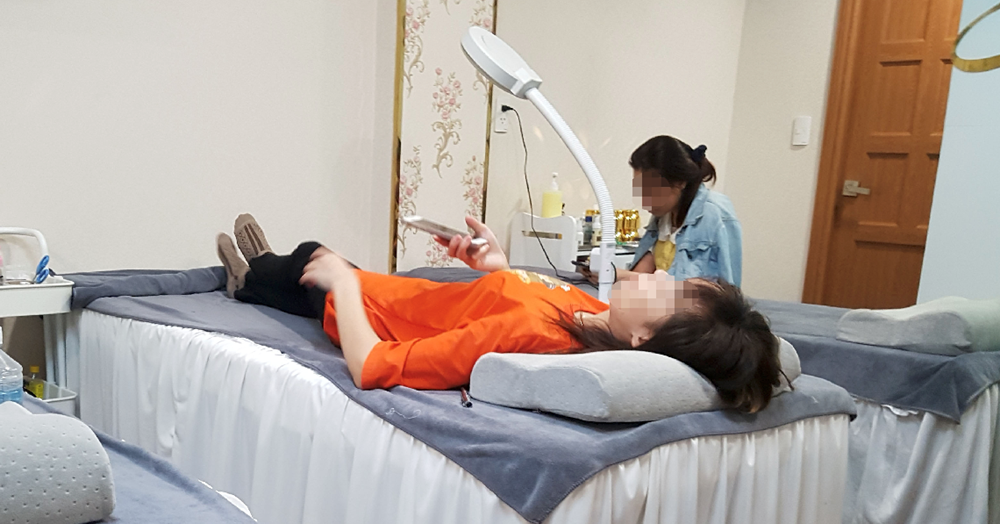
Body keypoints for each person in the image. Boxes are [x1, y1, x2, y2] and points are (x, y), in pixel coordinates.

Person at [217, 213, 780, 413]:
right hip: (404, 294)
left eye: (666, 290)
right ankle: (266, 272)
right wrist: (497, 269)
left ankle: (250, 280)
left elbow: (372, 367)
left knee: (309, 261)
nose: (655, 274)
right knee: (312, 265)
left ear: (644, 340)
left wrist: (342, 283)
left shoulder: (533, 337)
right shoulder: (595, 318)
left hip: (371, 310)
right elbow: (526, 298)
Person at [582, 136, 742, 286]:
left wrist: (621, 275)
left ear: (680, 182)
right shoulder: (664, 215)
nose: (644, 201)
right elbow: (643, 274)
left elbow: (723, 296)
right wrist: (607, 274)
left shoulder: (716, 215)